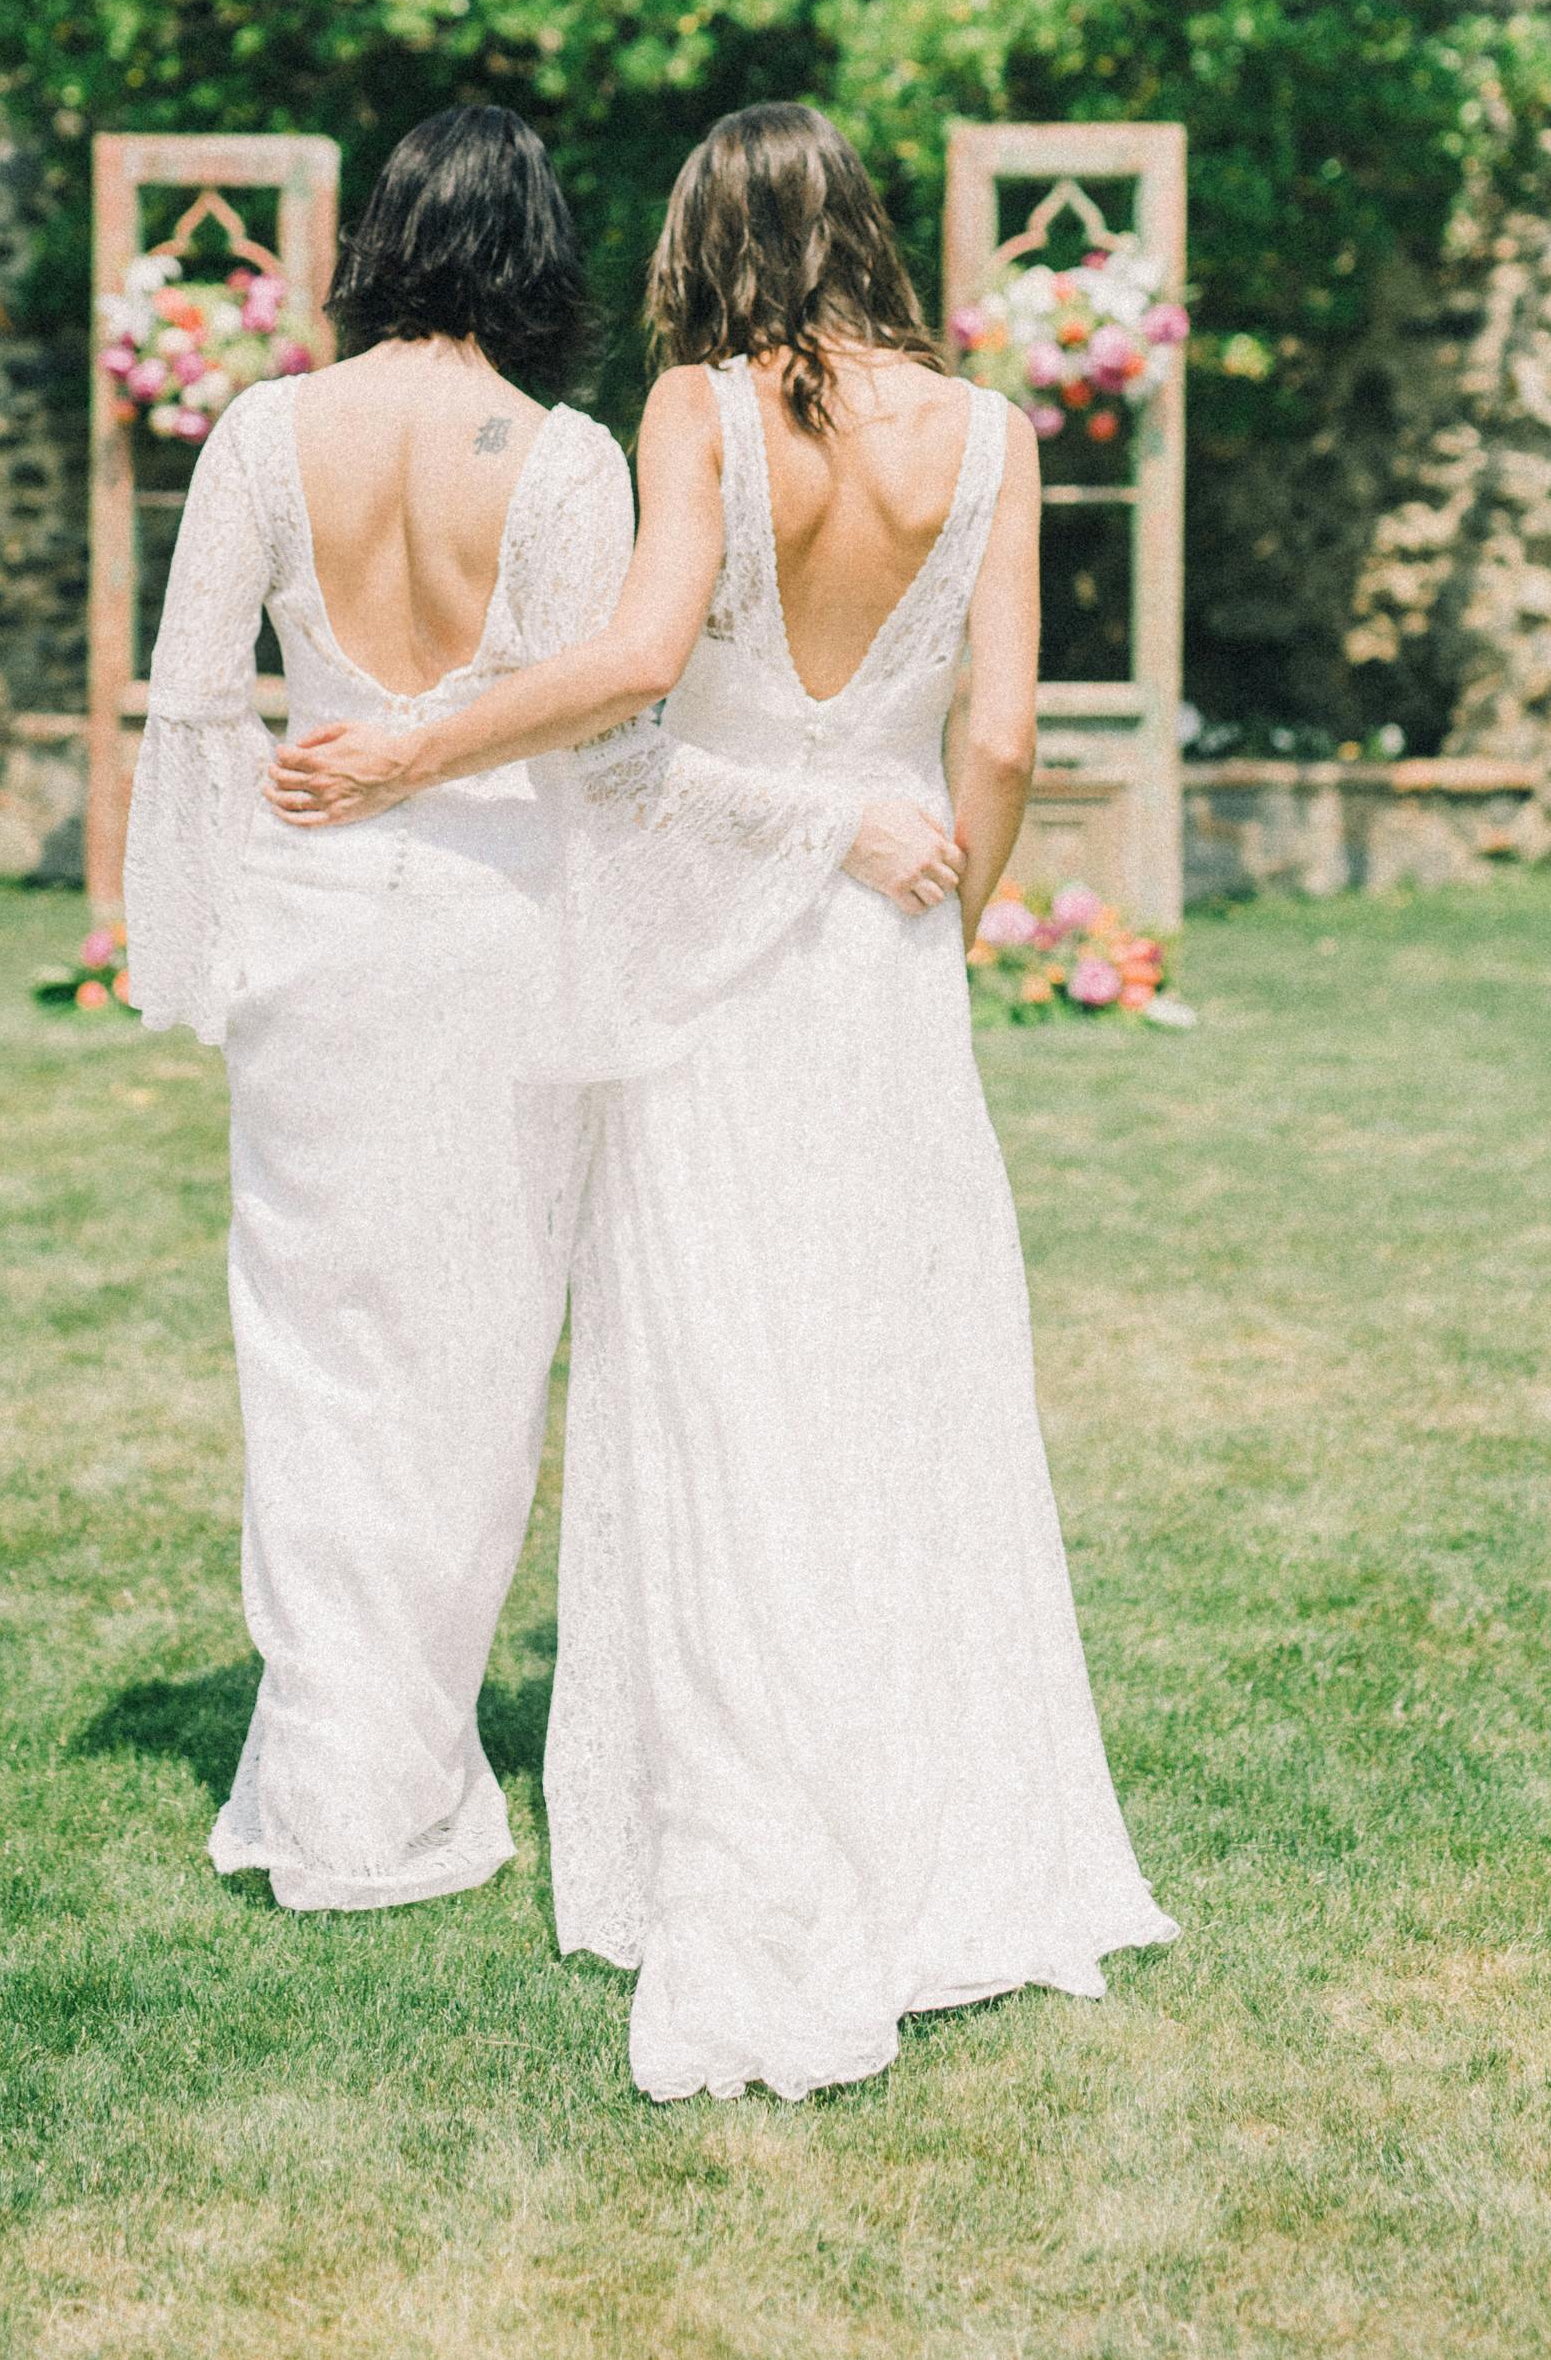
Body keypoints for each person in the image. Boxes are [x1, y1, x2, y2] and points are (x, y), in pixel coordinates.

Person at [272, 102, 1177, 2097]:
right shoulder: (992, 436)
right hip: (887, 965)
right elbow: (1002, 730)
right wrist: (949, 911)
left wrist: (408, 748)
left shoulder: (695, 408)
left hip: (721, 962)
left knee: (724, 1384)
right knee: (899, 1385)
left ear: (701, 239)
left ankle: (746, 1823)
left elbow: (636, 665)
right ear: (863, 232)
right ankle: (942, 1827)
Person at [122, 106, 953, 1918]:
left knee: (313, 1345)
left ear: (385, 242)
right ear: (531, 259)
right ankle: (394, 1767)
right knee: (479, 1370)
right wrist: (818, 828)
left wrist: (193, 947)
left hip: (319, 925)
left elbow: (190, 705)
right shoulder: (566, 457)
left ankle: (339, 1767)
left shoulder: (267, 431)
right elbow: (620, 753)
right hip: (494, 935)